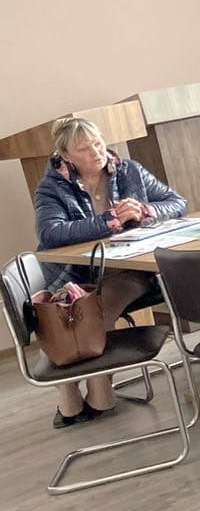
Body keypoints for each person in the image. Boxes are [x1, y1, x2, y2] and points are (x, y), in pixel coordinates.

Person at [33, 117, 187, 428]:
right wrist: (108, 221)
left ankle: (94, 393)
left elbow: (177, 202)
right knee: (67, 312)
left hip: (130, 271)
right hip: (77, 275)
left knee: (94, 311)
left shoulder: (129, 171)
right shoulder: (52, 187)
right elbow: (50, 233)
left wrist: (147, 211)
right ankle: (76, 391)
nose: (96, 152)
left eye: (98, 143)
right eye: (84, 149)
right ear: (66, 156)